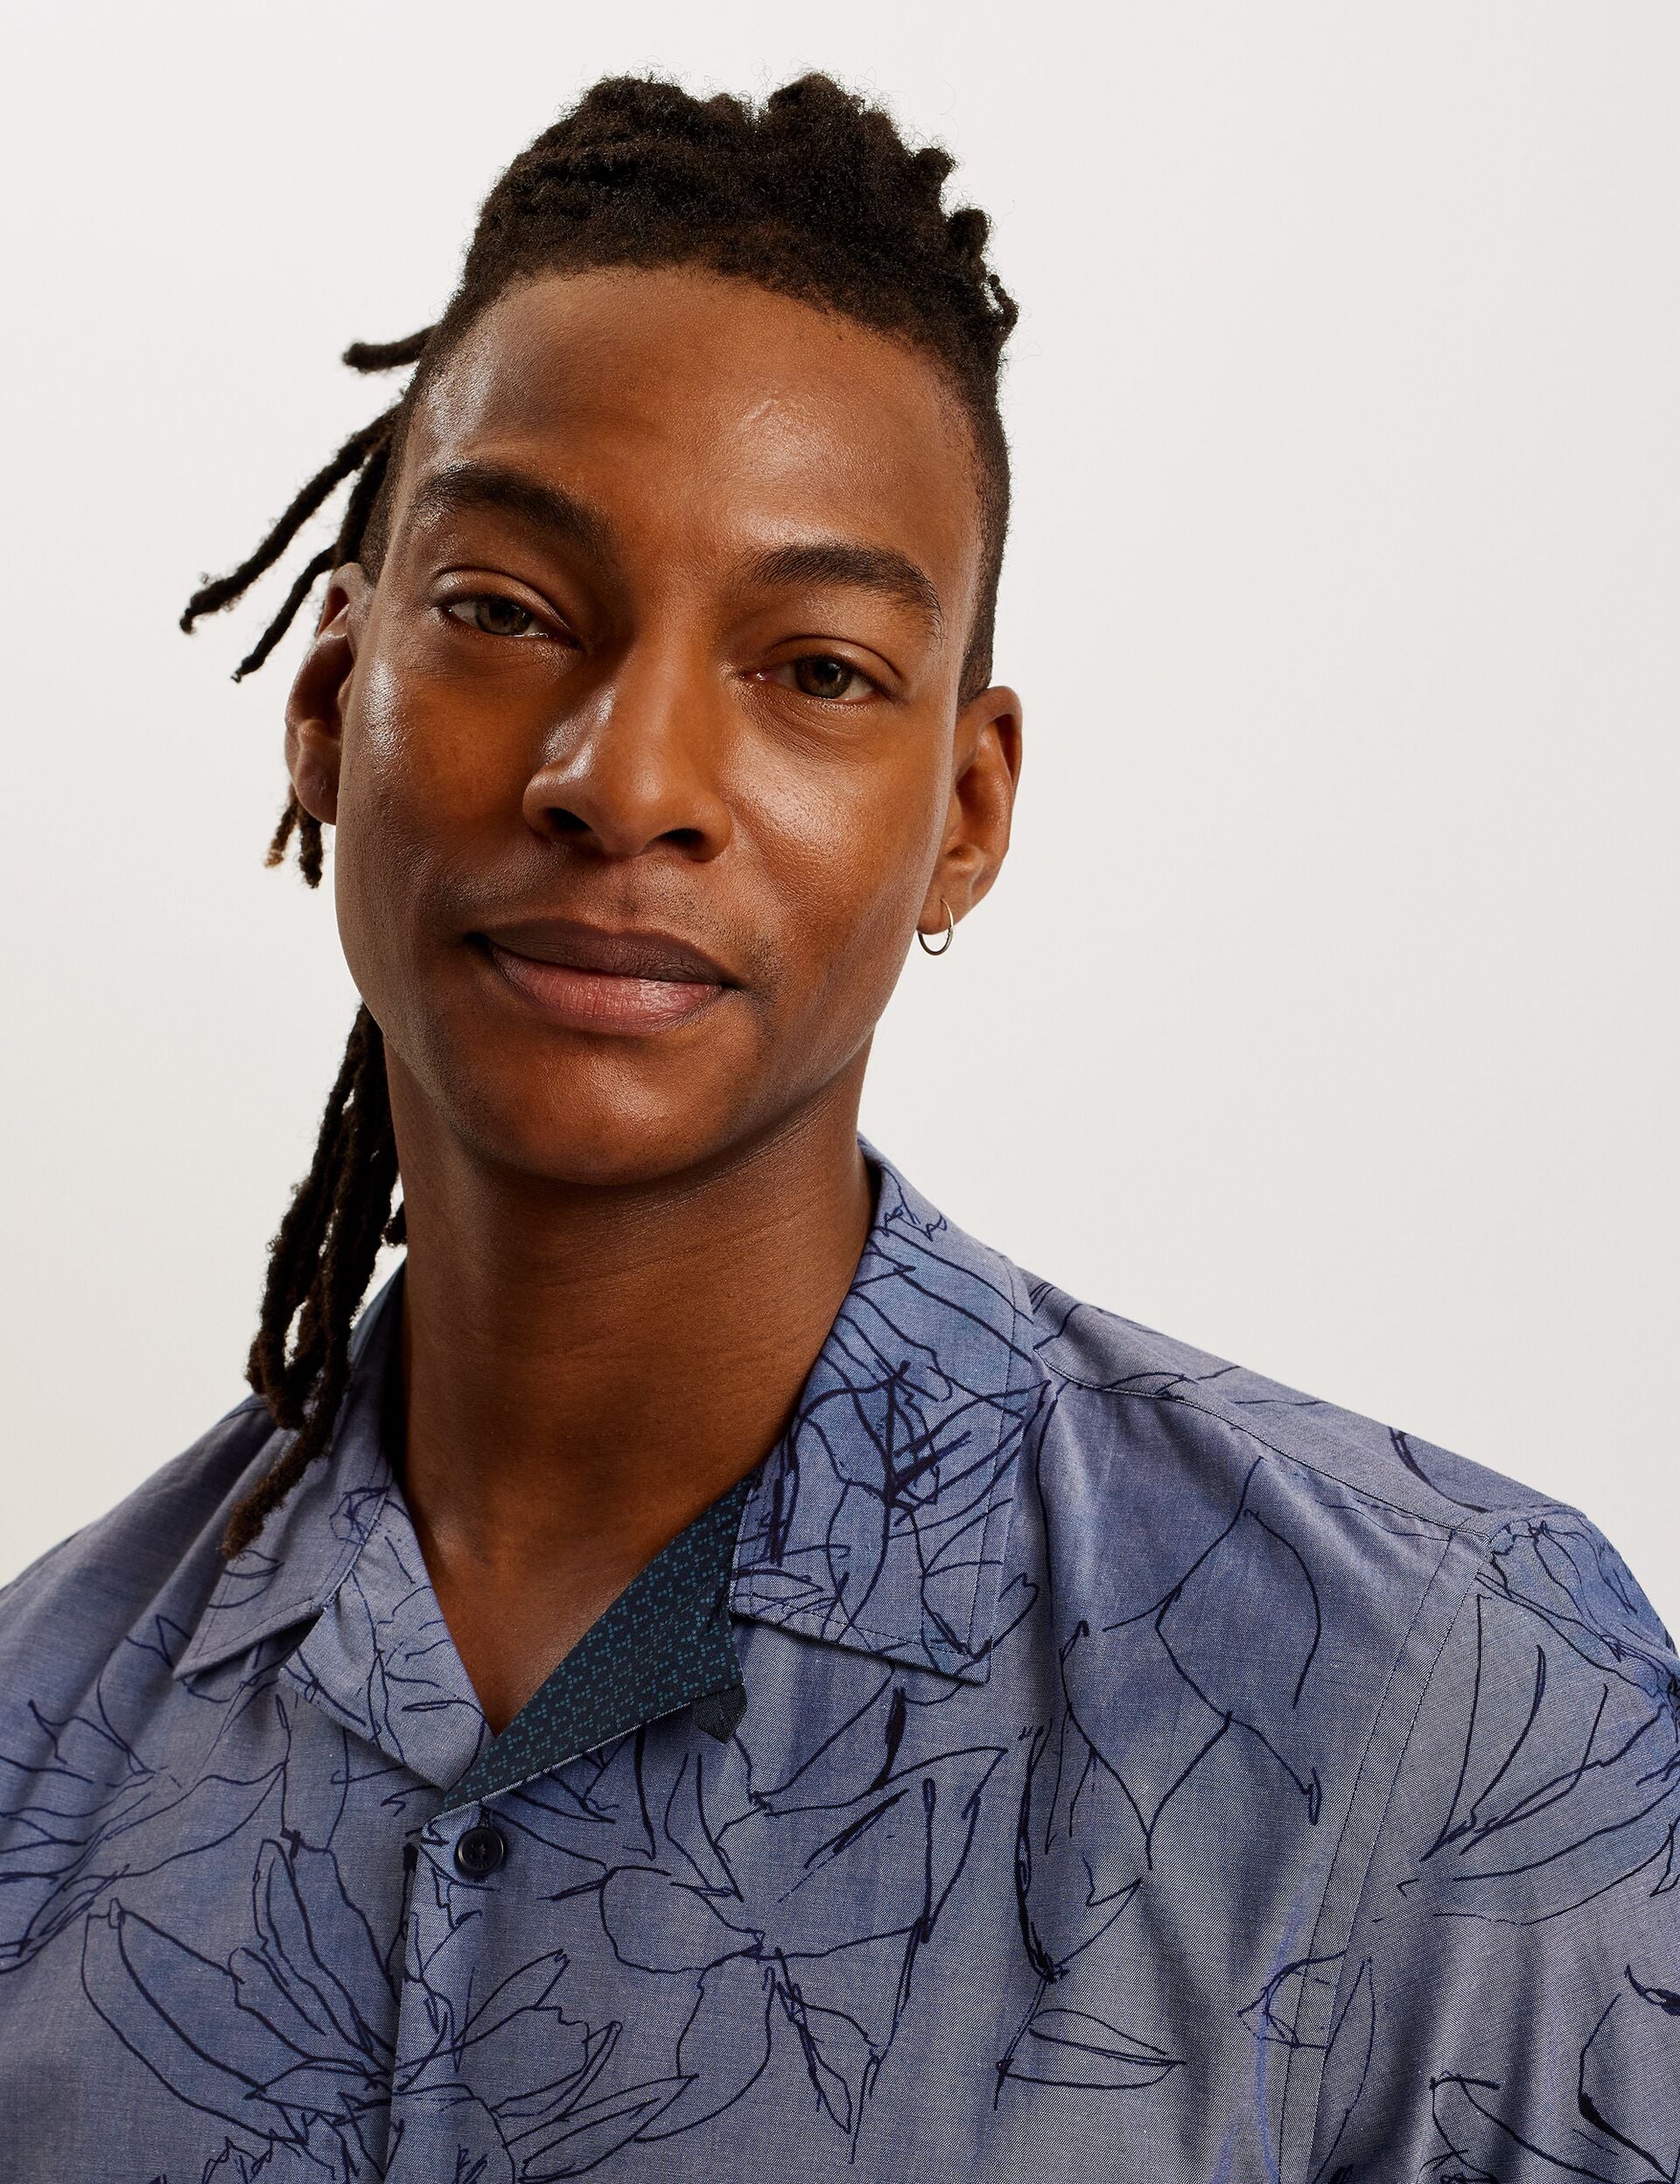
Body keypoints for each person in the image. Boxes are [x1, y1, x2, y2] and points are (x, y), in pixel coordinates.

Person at [0, 72, 1672, 2184]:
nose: (628, 779)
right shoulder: (39, 1746)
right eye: (506, 611)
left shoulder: (1452, 1708)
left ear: (966, 811)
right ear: (330, 701)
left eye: (815, 669)